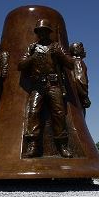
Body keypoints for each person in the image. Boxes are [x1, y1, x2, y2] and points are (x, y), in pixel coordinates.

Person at [18, 19, 73, 158]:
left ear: (48, 32)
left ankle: (62, 145)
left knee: (59, 113)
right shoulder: (32, 47)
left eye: (44, 31)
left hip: (54, 85)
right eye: (39, 31)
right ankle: (33, 145)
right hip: (38, 85)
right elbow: (21, 65)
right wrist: (32, 57)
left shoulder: (56, 46)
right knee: (33, 112)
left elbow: (71, 64)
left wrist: (59, 54)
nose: (42, 33)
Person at [69, 42, 91, 117]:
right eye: (81, 48)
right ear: (75, 51)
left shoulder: (69, 62)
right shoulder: (78, 61)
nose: (84, 50)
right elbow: (80, 80)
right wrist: (85, 97)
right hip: (77, 99)